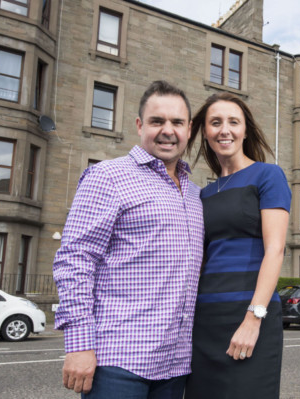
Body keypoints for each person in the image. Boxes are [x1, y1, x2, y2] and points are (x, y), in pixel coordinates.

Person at [53, 80, 204, 398]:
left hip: (175, 365)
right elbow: (75, 259)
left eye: (176, 122)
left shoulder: (195, 194)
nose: (167, 130)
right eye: (156, 121)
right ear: (139, 125)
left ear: (189, 129)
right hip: (118, 362)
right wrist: (79, 345)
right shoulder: (108, 176)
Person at [184, 92, 290, 399]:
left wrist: (252, 319)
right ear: (204, 131)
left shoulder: (268, 175)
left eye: (233, 122)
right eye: (215, 122)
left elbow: (275, 250)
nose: (224, 129)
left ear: (245, 130)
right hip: (205, 320)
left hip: (248, 314)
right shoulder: (203, 193)